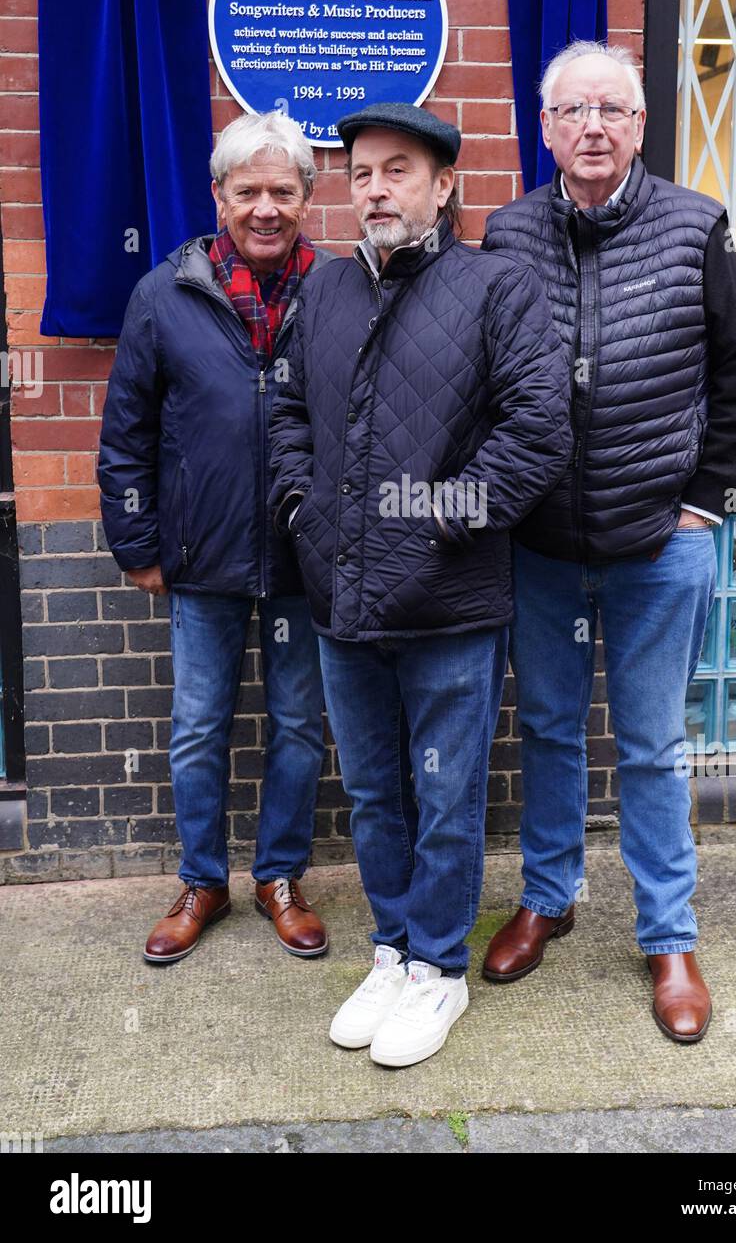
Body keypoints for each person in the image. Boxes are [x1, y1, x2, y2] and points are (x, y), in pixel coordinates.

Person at [269, 102, 571, 1067]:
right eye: (360, 172)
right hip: (341, 594)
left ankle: (439, 968)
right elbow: (283, 413)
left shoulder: (497, 287)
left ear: (444, 185)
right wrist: (297, 511)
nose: (375, 188)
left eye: (398, 170)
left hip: (447, 598)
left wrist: (444, 513)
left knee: (445, 795)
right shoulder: (323, 294)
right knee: (372, 793)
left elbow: (536, 427)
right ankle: (393, 949)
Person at [481, 41, 736, 1042]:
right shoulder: (505, 234)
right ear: (546, 127)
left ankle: (667, 935)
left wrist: (702, 500)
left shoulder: (694, 227)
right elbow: (481, 383)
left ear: (638, 127)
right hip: (543, 548)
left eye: (612, 109)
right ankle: (548, 896)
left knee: (650, 746)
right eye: (573, 110)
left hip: (660, 541)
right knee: (550, 731)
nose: (593, 125)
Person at [98, 111, 333, 966]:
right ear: (218, 197)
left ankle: (280, 877)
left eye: (282, 190)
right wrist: (138, 545)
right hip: (200, 558)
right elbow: (126, 435)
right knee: (199, 726)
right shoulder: (166, 295)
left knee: (300, 725)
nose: (265, 208)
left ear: (308, 197)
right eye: (248, 192)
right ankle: (203, 879)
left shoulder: (339, 289)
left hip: (306, 558)